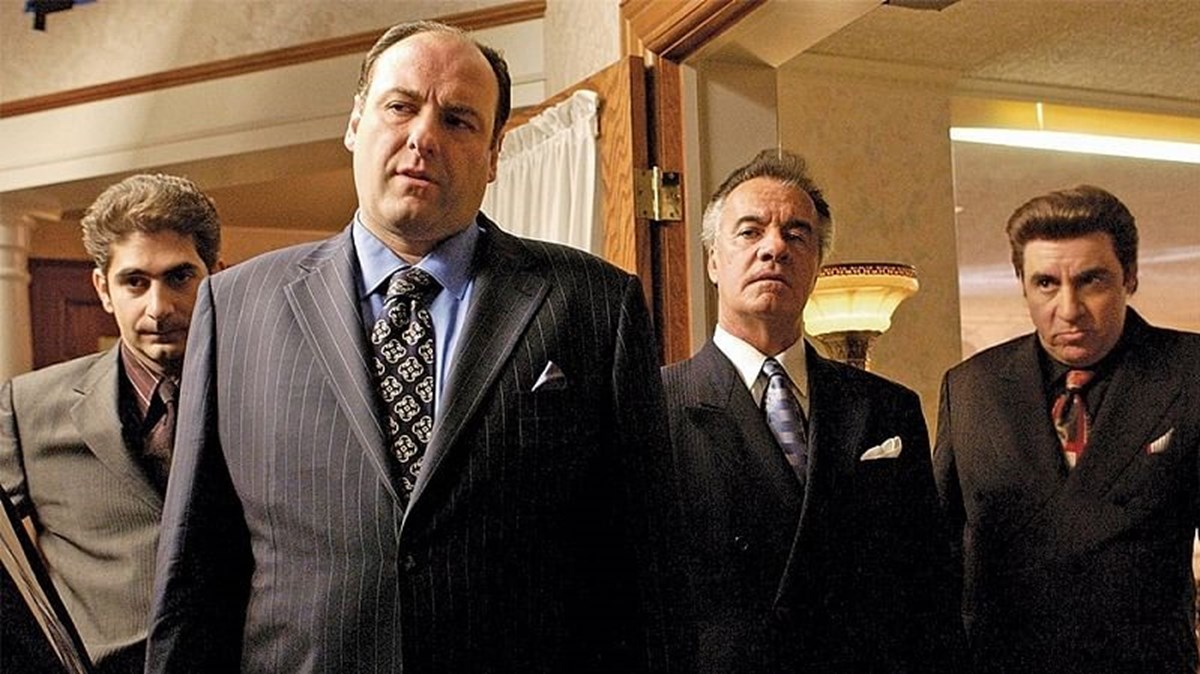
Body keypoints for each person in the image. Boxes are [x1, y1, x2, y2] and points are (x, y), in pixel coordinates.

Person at [145, 20, 681, 674]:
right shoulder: (235, 307)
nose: (423, 136)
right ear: (354, 123)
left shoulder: (595, 304)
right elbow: (196, 567)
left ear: (494, 155)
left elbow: (644, 572)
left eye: (458, 120)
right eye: (400, 107)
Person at [661, 149, 964, 673]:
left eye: (796, 235)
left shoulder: (886, 408)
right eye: (750, 232)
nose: (774, 248)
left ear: (817, 263)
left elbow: (927, 590)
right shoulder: (654, 406)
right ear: (712, 260)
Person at [934, 184, 1200, 673]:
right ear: (1023, 285)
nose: (1069, 308)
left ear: (1130, 277)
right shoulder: (972, 388)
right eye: (1046, 284)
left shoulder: (1188, 373)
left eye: (1091, 281)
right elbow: (938, 557)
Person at [0, 173, 223, 673]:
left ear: (215, 277)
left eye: (179, 278)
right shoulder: (28, 407)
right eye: (135, 282)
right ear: (103, 288)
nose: (158, 308)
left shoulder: (268, 394)